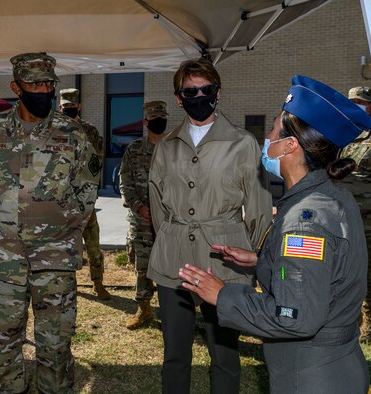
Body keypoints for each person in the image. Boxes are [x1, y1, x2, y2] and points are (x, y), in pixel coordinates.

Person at [179, 75, 371, 393]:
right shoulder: (330, 194)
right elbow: (321, 271)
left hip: (310, 378)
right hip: (331, 366)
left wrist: (222, 295)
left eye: (273, 131)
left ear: (289, 145)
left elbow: (294, 317)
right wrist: (262, 259)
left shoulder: (304, 221)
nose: (267, 139)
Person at [0, 53, 100, 393]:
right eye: (35, 84)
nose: (44, 90)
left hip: (55, 259)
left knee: (55, 346)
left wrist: (63, 230)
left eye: (49, 84)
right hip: (5, 261)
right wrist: (1, 232)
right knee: (5, 342)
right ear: (16, 87)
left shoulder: (73, 133)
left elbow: (87, 190)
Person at [147, 58, 273, 393]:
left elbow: (259, 208)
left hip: (224, 260)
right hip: (173, 258)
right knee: (174, 353)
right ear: (179, 97)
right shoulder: (166, 146)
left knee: (225, 354)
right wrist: (172, 237)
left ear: (218, 91)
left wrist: (254, 254)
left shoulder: (243, 143)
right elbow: (157, 203)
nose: (199, 96)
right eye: (191, 91)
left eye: (206, 89)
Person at [340, 86, 371, 342]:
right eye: (352, 101)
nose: (356, 105)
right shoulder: (346, 135)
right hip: (347, 217)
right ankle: (350, 319)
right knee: (348, 269)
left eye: (361, 102)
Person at [119, 100, 168, 329]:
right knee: (144, 265)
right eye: (155, 119)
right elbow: (125, 181)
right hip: (143, 219)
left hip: (170, 221)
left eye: (163, 118)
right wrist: (139, 207)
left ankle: (173, 311)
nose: (160, 122)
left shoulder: (175, 148)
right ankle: (144, 309)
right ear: (146, 122)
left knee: (172, 266)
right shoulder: (135, 149)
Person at [58, 87, 110, 300]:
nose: (68, 109)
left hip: (86, 199)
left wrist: (88, 192)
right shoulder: (51, 132)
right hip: (60, 201)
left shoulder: (90, 131)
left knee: (92, 243)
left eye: (72, 106)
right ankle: (68, 284)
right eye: (65, 107)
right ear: (59, 107)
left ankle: (98, 283)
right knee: (64, 246)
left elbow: (97, 162)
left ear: (79, 106)